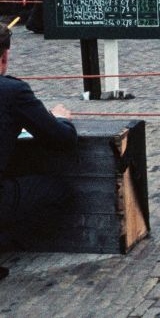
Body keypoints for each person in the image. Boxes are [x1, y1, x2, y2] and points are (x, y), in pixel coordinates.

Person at [0, 23, 77, 280]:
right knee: (58, 191)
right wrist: (60, 118)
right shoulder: (12, 91)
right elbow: (61, 139)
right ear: (4, 56)